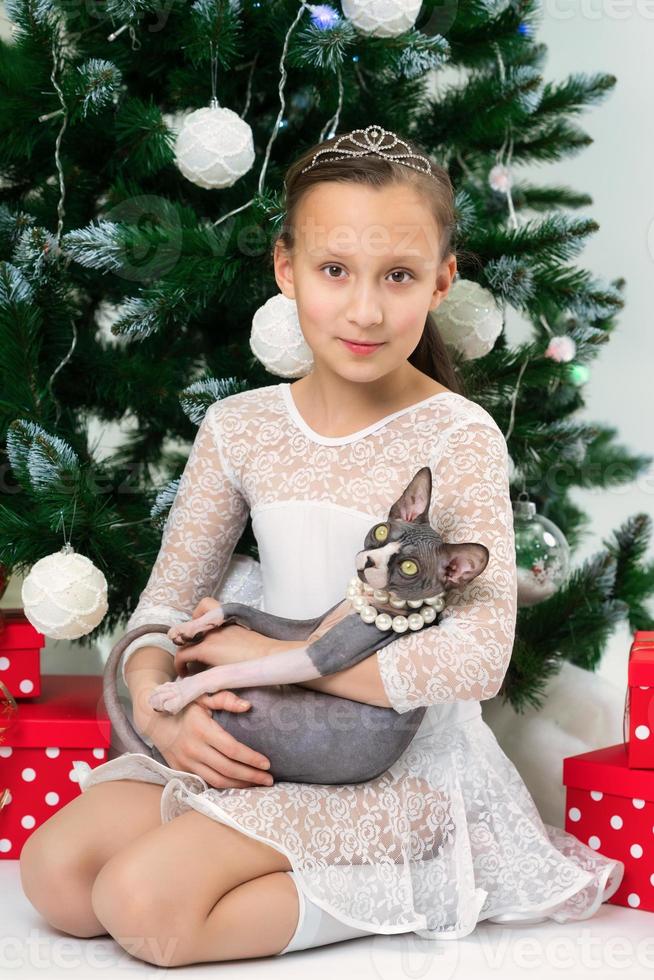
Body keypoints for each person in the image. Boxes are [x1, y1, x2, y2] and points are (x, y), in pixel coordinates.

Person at [19, 127, 624, 967]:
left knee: (143, 906)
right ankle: (248, 845)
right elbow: (162, 607)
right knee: (55, 877)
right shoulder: (242, 428)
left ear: (442, 281)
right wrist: (167, 710)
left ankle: (421, 873)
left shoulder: (457, 435)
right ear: (286, 267)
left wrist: (281, 657)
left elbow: (477, 660)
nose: (366, 310)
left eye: (400, 276)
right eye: (335, 270)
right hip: (266, 737)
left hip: (393, 764)